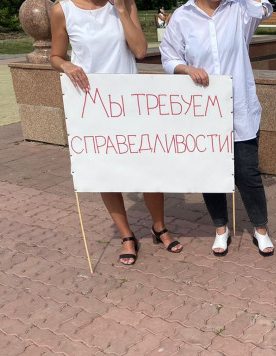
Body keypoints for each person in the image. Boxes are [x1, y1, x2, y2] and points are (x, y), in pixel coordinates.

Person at [50, 0, 183, 265]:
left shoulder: (125, 3)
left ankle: (159, 228)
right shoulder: (62, 9)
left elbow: (140, 50)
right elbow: (56, 55)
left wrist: (121, 10)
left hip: (129, 102)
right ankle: (126, 235)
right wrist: (66, 65)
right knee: (107, 173)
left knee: (148, 169)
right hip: (91, 103)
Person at [160, 0, 275, 257]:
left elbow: (263, 9)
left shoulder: (239, 10)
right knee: (210, 173)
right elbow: (168, 56)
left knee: (247, 173)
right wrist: (187, 69)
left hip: (240, 107)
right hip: (205, 111)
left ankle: (260, 228)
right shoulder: (182, 15)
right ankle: (221, 228)